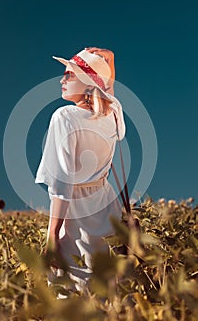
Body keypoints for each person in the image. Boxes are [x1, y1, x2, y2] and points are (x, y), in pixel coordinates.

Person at [35, 47, 125, 293]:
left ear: (87, 83)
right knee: (111, 288)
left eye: (69, 75)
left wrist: (52, 235)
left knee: (73, 289)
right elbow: (107, 91)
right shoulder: (112, 113)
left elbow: (62, 185)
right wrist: (111, 62)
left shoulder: (64, 117)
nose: (62, 80)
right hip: (108, 206)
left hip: (78, 214)